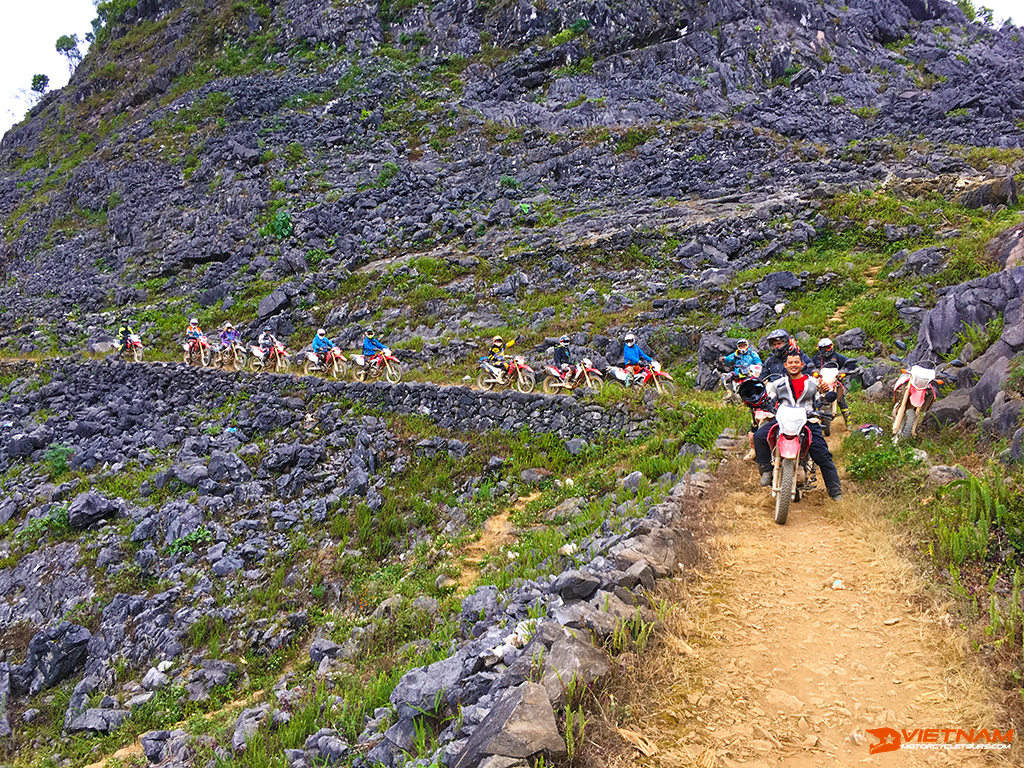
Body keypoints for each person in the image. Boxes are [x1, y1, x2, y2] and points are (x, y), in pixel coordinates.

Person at [753, 350, 842, 500]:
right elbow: (770, 398)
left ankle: (835, 492)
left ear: (802, 364)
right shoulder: (778, 383)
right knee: (759, 436)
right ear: (785, 365)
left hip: (807, 419)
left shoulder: (813, 383)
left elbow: (820, 398)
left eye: (796, 362)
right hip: (783, 419)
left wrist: (825, 394)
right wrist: (761, 401)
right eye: (790, 363)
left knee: (823, 454)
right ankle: (767, 470)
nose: (793, 365)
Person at [811, 337, 851, 423]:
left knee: (841, 398)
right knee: (813, 396)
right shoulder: (817, 357)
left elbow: (848, 363)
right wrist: (814, 371)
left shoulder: (837, 356)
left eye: (828, 348)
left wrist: (845, 370)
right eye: (823, 349)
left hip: (834, 380)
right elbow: (810, 365)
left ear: (832, 347)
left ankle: (849, 422)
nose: (825, 351)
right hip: (821, 381)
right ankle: (813, 420)